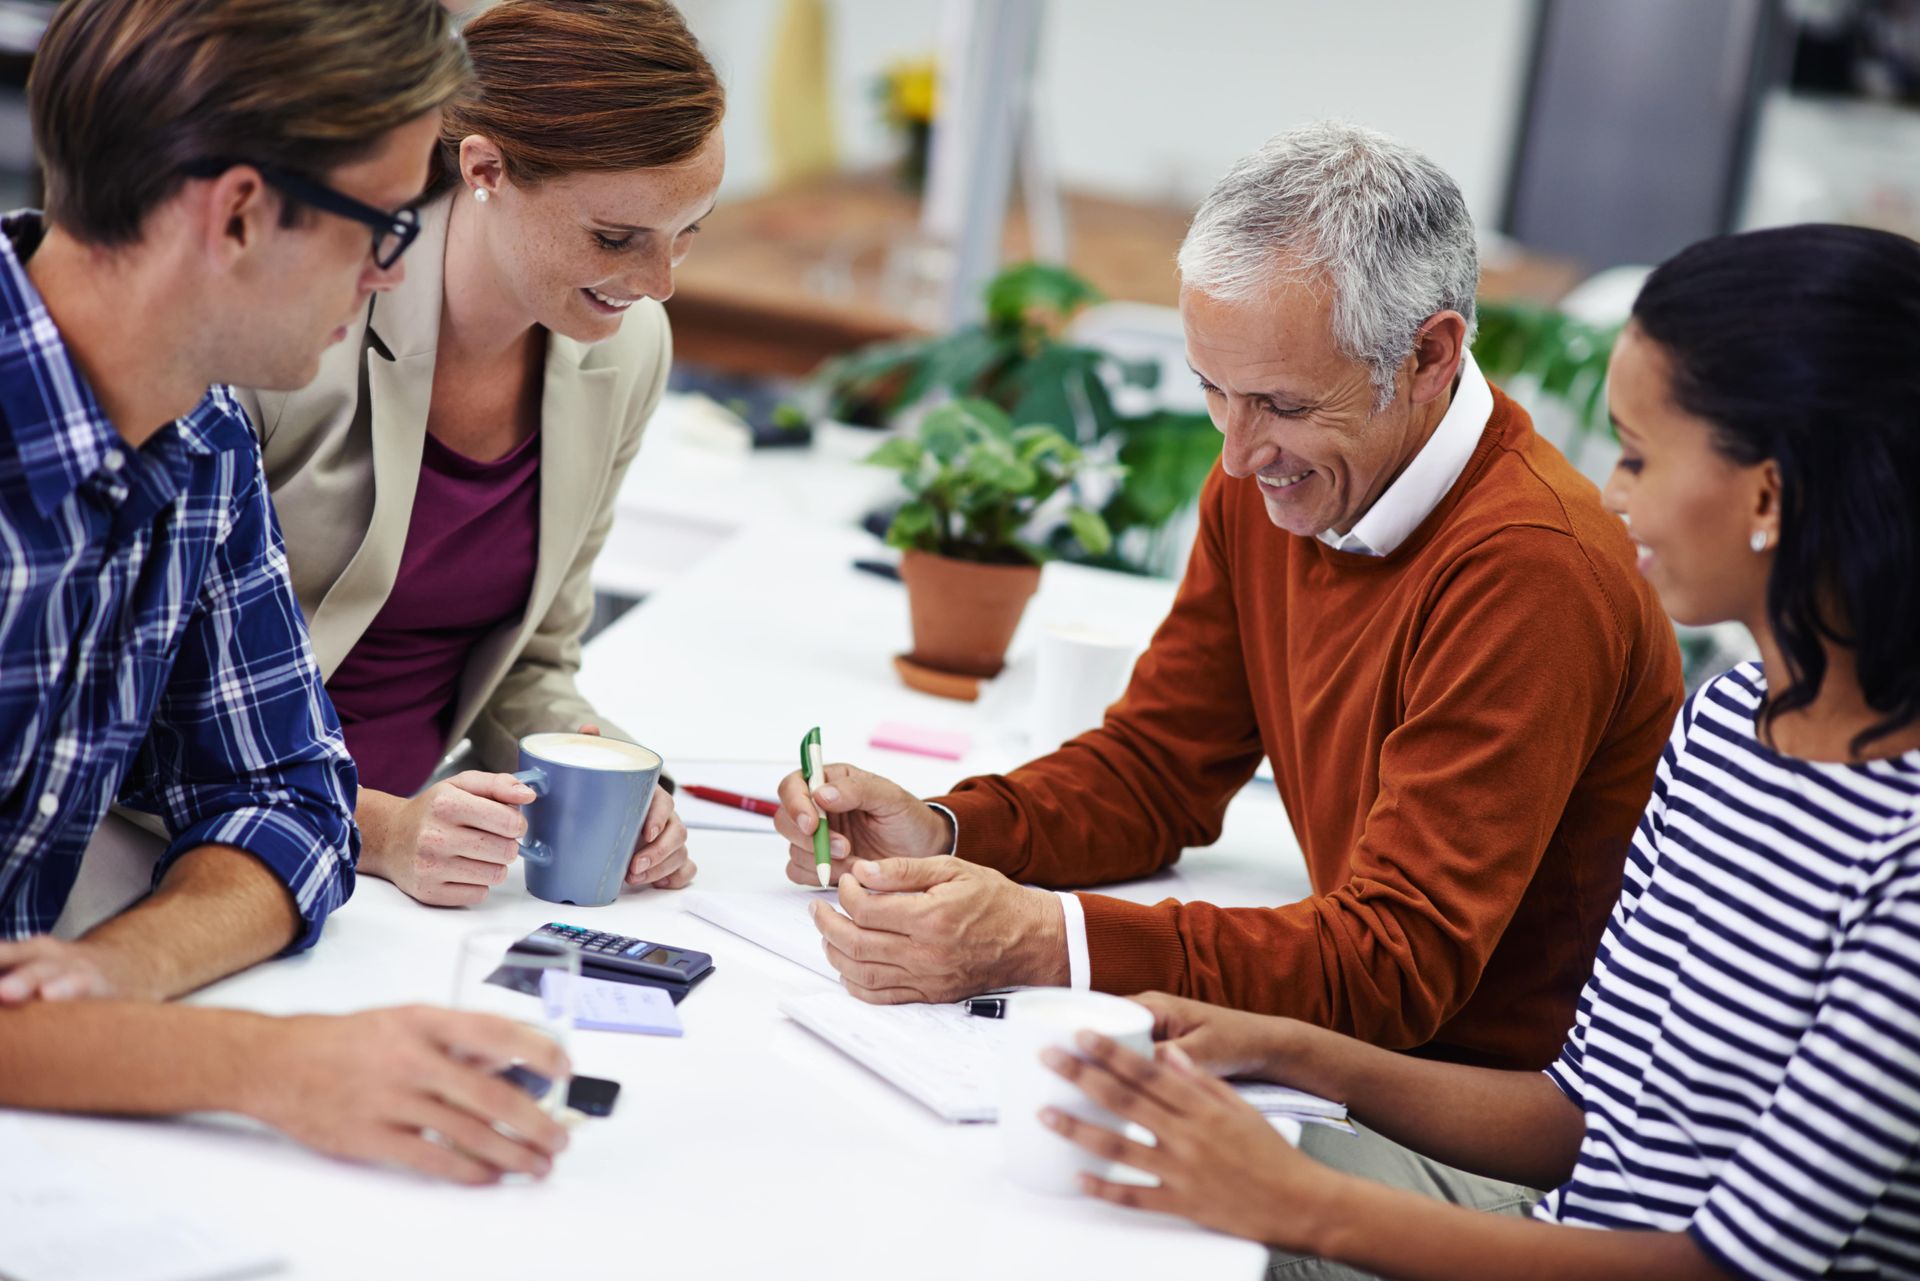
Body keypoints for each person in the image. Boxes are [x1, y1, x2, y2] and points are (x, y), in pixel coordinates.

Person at [1038, 223, 1920, 1281]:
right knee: (1072, 1174)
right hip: (1547, 1234)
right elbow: (1577, 1114)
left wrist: (1298, 1202)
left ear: (1769, 494)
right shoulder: (1730, 726)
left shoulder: (1904, 851)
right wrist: (1276, 1046)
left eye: (1637, 455)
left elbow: (1730, 1272)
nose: (1615, 494)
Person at [775, 122, 1683, 1070]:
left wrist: (1052, 939)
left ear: (1430, 357)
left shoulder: (1531, 567)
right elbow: (1159, 766)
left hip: (1478, 1112)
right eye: (1215, 389)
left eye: (1285, 405)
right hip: (1351, 1059)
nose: (1237, 456)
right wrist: (950, 827)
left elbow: (1395, 963)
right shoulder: (1277, 480)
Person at [0, 0, 566, 1184]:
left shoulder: (200, 438)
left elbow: (291, 797)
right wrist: (259, 1067)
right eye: (382, 224)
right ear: (243, 214)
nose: (385, 272)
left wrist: (112, 981)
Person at [238, 0, 723, 909]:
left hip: (433, 861)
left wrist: (615, 782)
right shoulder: (302, 330)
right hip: (236, 843)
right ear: (485, 167)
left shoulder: (625, 348)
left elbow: (531, 663)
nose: (659, 284)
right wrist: (379, 828)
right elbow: (168, 700)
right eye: (617, 238)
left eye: (690, 231)